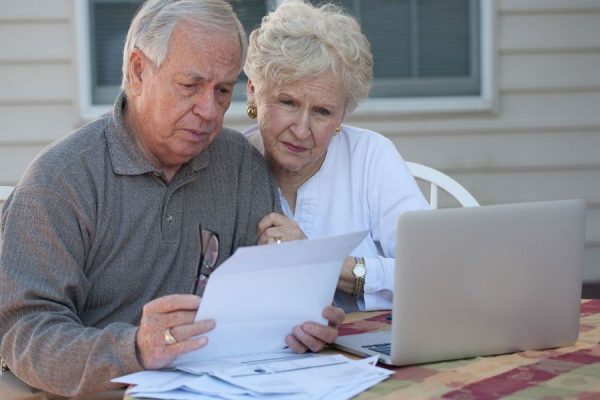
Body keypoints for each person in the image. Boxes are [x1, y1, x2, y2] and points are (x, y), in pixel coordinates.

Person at [0, 1, 344, 398]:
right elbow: (23, 331)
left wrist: (298, 320)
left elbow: (256, 309)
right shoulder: (61, 181)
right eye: (190, 86)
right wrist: (135, 350)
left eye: (221, 91)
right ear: (138, 70)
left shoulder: (241, 167)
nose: (209, 110)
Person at [243, 0, 430, 313]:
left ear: (343, 114)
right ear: (252, 93)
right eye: (287, 102)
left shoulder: (371, 157)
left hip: (372, 350)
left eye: (322, 111)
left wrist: (324, 264)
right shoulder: (228, 167)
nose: (302, 130)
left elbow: (432, 269)